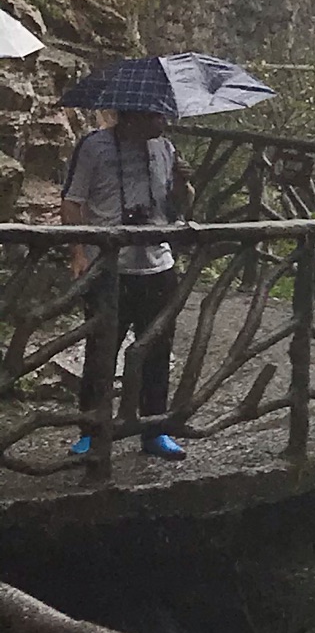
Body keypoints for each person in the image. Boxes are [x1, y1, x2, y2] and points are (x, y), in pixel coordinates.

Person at [62, 108, 191, 460]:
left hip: (158, 264)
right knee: (101, 352)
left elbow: (176, 209)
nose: (164, 122)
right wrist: (78, 252)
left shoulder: (165, 149)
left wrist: (183, 184)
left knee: (157, 351)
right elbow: (72, 202)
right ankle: (91, 430)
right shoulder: (94, 146)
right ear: (133, 116)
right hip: (109, 267)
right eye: (157, 116)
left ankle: (155, 430)